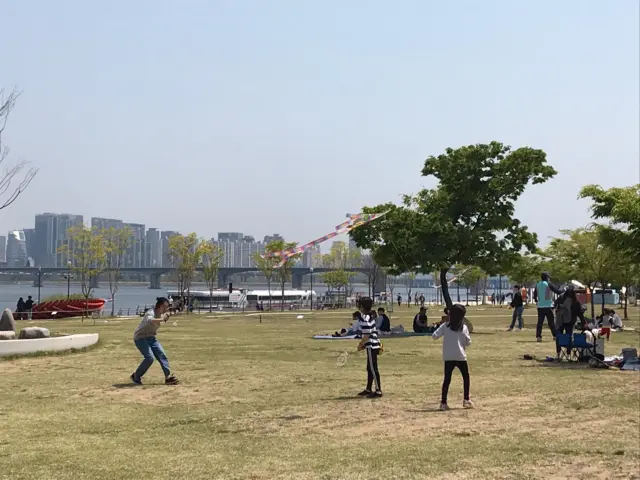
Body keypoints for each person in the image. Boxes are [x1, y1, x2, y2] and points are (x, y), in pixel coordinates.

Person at [432, 304, 473, 410]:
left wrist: (439, 326)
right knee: (466, 377)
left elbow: (434, 336)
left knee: (447, 379)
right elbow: (468, 342)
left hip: (448, 356)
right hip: (460, 356)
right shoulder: (463, 327)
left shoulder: (445, 326)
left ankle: (443, 402)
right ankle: (466, 399)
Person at [131, 297, 179, 385]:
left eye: (167, 307)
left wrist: (168, 314)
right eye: (165, 307)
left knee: (162, 354)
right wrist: (162, 319)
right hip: (140, 338)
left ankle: (168, 377)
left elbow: (167, 314)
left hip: (151, 338)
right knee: (150, 358)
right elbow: (151, 320)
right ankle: (136, 376)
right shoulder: (151, 312)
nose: (166, 309)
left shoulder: (163, 313)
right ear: (160, 306)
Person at [355, 297, 382, 398]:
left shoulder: (364, 318)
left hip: (371, 345)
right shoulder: (370, 316)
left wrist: (361, 344)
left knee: (373, 368)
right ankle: (368, 388)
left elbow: (367, 334)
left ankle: (378, 390)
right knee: (369, 368)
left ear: (362, 306)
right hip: (372, 344)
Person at [554, 287, 585, 358]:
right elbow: (580, 313)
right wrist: (584, 322)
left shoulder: (561, 299)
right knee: (569, 337)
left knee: (559, 337)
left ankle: (558, 353)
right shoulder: (576, 302)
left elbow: (555, 306)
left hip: (560, 321)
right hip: (570, 322)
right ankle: (568, 354)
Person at [533, 272, 563, 342]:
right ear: (547, 277)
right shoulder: (548, 284)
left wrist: (538, 301)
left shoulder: (537, 285)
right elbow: (557, 291)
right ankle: (555, 335)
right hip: (549, 305)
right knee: (551, 322)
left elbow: (535, 296)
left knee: (540, 322)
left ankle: (538, 336)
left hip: (540, 306)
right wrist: (564, 290)